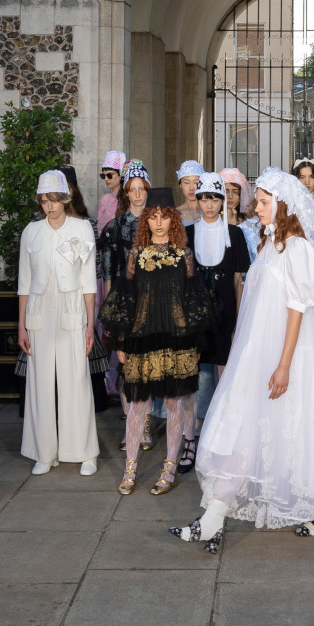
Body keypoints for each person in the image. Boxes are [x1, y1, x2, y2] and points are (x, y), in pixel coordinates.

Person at [171, 168, 314, 551]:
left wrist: (283, 365)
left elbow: (297, 311)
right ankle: (213, 516)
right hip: (255, 355)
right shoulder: (268, 245)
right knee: (237, 427)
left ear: (283, 206)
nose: (255, 208)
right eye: (258, 202)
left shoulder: (298, 250)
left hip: (288, 358)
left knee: (299, 433)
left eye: (264, 203)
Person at [102, 186, 209, 496]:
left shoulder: (184, 255)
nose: (159, 222)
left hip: (178, 338)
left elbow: (194, 300)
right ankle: (130, 467)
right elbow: (126, 297)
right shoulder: (136, 254)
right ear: (145, 220)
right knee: (137, 405)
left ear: (173, 220)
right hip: (142, 337)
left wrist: (196, 342)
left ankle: (170, 469)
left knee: (176, 403)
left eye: (165, 217)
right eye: (153, 217)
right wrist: (121, 339)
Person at [19, 169, 101, 476]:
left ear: (65, 199)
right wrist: (21, 326)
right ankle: (45, 452)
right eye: (44, 200)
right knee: (39, 384)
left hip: (73, 315)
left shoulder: (81, 228)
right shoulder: (31, 232)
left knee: (76, 382)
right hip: (39, 316)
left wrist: (90, 325)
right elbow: (24, 283)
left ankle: (85, 452)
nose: (50, 206)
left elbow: (88, 281)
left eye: (55, 199)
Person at [189, 172, 251, 470]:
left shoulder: (235, 235)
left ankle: (227, 431)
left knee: (226, 373)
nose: (209, 204)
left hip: (227, 314)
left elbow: (239, 280)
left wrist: (239, 322)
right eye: (204, 198)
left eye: (214, 198)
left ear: (222, 201)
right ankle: (197, 434)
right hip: (197, 319)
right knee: (199, 375)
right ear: (197, 201)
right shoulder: (188, 234)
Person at [97, 161, 150, 410]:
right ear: (125, 192)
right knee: (126, 365)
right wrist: (109, 316)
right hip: (124, 305)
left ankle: (146, 426)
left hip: (152, 303)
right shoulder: (113, 228)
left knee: (150, 365)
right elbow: (108, 275)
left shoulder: (160, 225)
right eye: (132, 189)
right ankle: (131, 425)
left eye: (142, 189)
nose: (137, 194)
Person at [221, 166, 260, 260]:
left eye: (235, 192)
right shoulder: (212, 218)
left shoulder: (251, 221)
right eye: (226, 191)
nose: (230, 196)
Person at [97, 151, 127, 234]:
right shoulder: (105, 199)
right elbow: (100, 228)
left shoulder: (129, 198)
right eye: (103, 175)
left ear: (120, 174)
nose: (106, 179)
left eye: (109, 175)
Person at [177, 160, 206, 224]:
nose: (191, 188)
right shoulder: (175, 214)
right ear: (180, 185)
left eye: (196, 183)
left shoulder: (210, 212)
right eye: (186, 183)